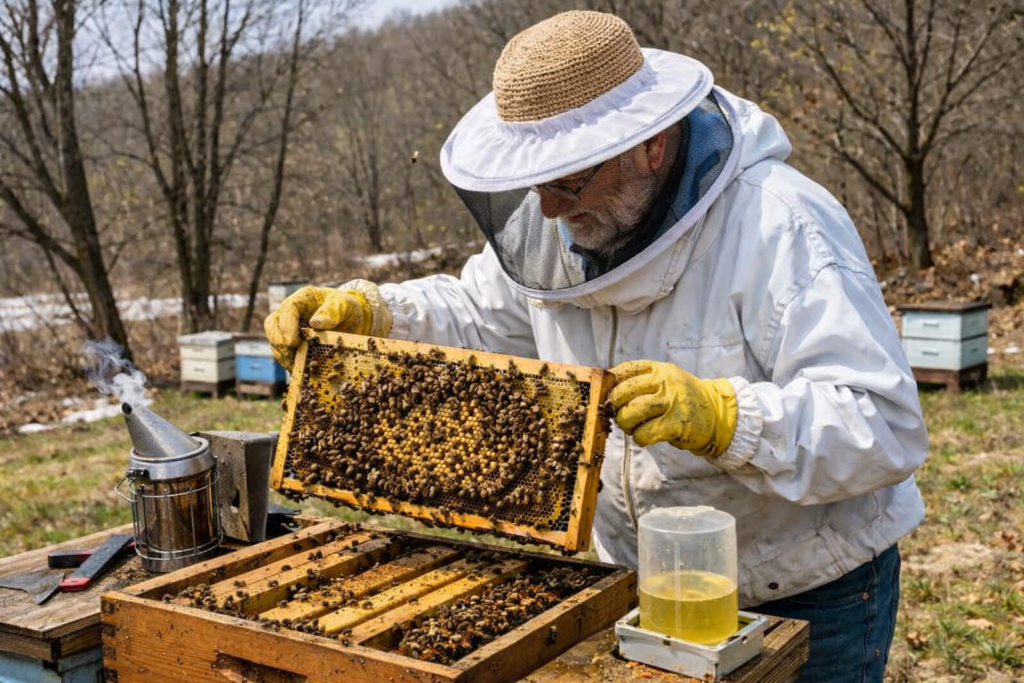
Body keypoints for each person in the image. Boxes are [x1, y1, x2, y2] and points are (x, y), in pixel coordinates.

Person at [264, 11, 928, 682]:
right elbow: (480, 314)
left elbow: (884, 423)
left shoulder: (782, 225)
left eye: (570, 180)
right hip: (644, 588)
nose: (549, 209)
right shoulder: (560, 225)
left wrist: (731, 419)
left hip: (809, 591)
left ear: (651, 145)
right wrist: (378, 311)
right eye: (537, 182)